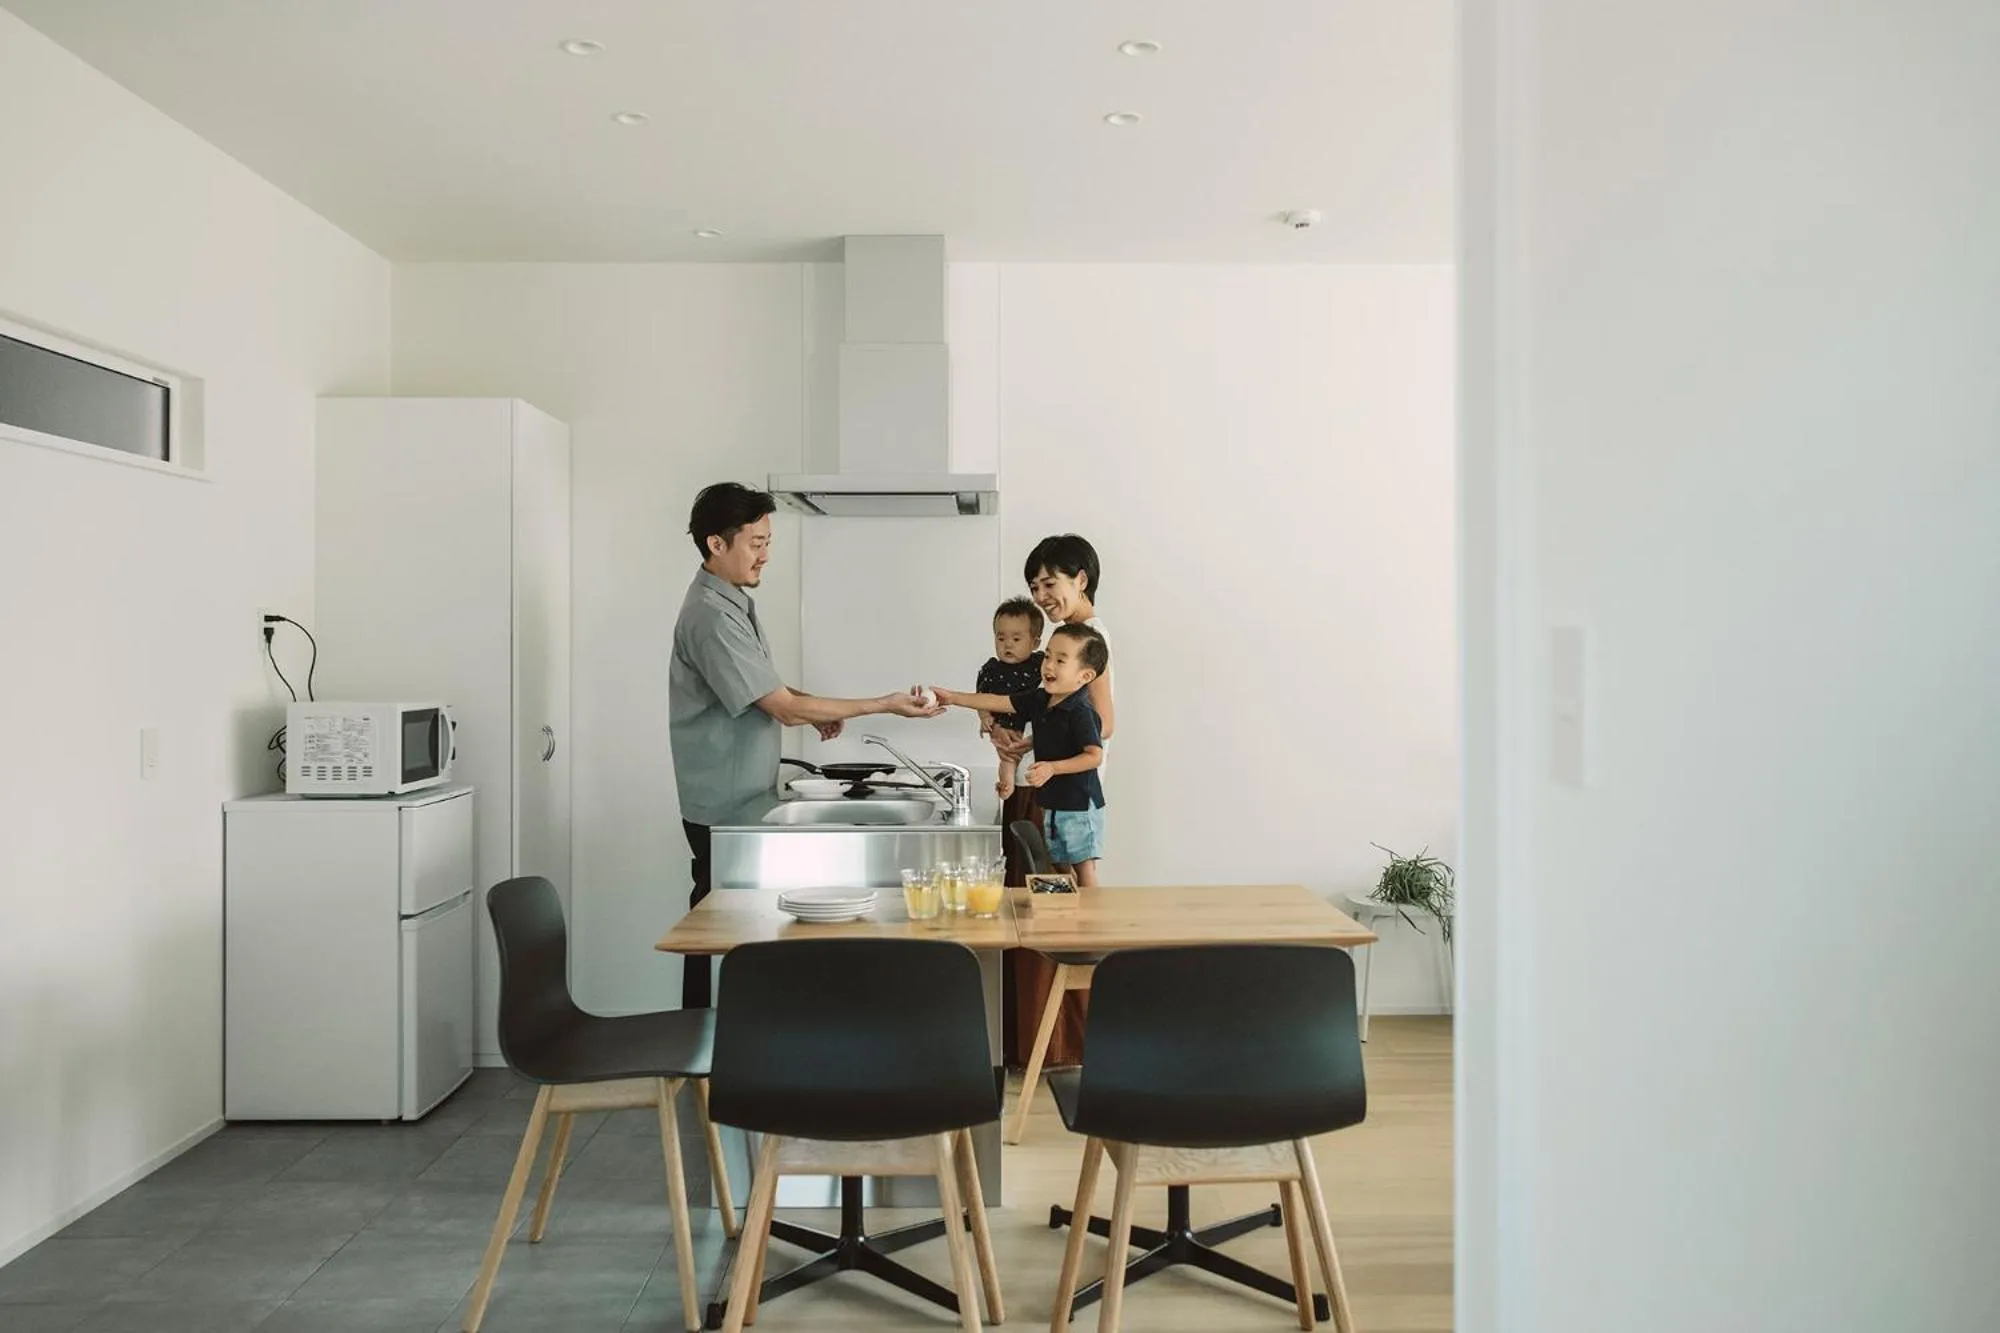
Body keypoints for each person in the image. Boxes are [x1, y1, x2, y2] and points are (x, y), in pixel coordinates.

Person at [669, 482, 940, 1008]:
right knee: (713, 932)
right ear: (715, 544)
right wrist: (881, 704)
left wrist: (818, 710)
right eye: (755, 542)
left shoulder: (730, 603)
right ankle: (702, 1051)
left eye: (769, 541)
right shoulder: (710, 615)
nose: (765, 554)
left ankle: (719, 1052)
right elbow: (782, 706)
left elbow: (772, 691)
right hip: (721, 806)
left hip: (738, 798)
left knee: (726, 929)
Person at [933, 622, 1110, 885]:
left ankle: (1090, 921)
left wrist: (1051, 768)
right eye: (1048, 656)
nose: (1048, 666)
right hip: (1053, 800)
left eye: (1060, 661)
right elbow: (998, 701)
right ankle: (1067, 915)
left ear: (1084, 676)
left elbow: (1094, 756)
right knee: (1059, 865)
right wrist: (951, 697)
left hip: (1079, 805)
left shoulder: (1081, 712)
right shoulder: (1042, 700)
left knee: (1083, 869)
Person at [974, 597, 1045, 799]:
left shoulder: (1040, 664)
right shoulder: (991, 669)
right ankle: (1006, 786)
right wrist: (984, 716)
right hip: (1006, 727)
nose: (1007, 645)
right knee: (1007, 761)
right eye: (1001, 638)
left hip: (1032, 729)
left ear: (1035, 642)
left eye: (1016, 639)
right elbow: (980, 696)